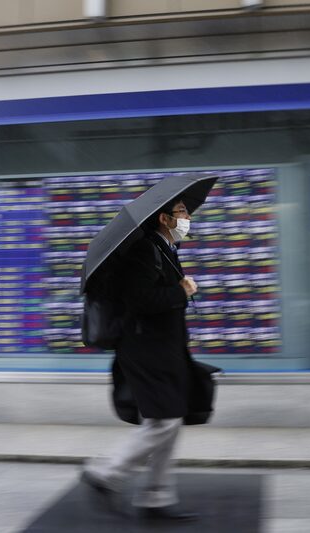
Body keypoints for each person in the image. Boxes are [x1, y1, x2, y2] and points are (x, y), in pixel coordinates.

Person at [80, 195, 200, 522]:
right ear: (164, 218)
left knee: (167, 422)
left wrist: (178, 290)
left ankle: (156, 496)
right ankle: (104, 472)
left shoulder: (163, 250)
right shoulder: (144, 252)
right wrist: (182, 291)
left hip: (164, 348)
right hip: (146, 350)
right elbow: (141, 300)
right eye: (182, 212)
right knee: (165, 421)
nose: (188, 218)